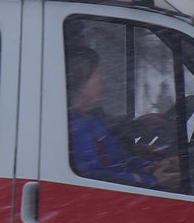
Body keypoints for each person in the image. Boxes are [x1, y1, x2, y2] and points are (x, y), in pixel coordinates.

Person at [65, 43, 180, 190]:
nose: (103, 82)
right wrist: (149, 180)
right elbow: (96, 178)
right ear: (81, 82)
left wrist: (150, 167)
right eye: (98, 75)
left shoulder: (93, 119)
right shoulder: (71, 128)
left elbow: (120, 159)